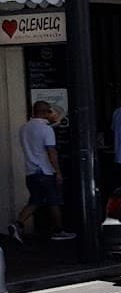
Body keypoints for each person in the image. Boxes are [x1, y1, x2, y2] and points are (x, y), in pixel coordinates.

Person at [10, 101, 73, 243]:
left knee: (35, 200)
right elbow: (51, 152)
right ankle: (58, 230)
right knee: (54, 201)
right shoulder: (46, 130)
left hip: (30, 171)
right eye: (52, 112)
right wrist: (58, 172)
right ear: (46, 112)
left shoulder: (24, 128)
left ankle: (17, 224)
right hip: (45, 171)